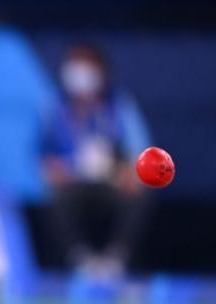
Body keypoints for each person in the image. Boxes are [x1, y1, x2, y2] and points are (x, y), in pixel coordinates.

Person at [41, 43, 151, 277]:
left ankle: (116, 259)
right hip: (74, 182)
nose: (79, 74)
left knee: (138, 195)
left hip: (110, 180)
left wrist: (127, 171)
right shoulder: (55, 108)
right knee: (57, 197)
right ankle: (79, 260)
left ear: (100, 71)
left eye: (86, 65)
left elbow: (140, 151)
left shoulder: (119, 106)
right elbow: (42, 156)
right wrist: (54, 169)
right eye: (74, 65)